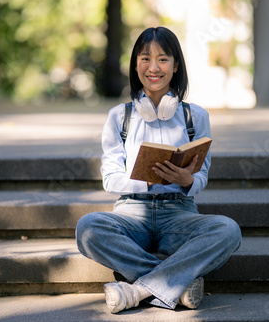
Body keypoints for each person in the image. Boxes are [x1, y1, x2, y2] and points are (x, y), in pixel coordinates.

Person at [76, 27, 241, 313]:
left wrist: (187, 180)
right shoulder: (119, 117)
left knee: (228, 230)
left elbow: (202, 176)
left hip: (179, 213)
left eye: (163, 59)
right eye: (145, 59)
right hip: (131, 213)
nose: (153, 67)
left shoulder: (195, 116)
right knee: (88, 229)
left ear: (176, 66)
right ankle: (177, 286)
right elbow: (110, 178)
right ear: (135, 65)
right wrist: (146, 183)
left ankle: (137, 290)